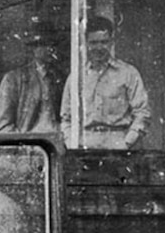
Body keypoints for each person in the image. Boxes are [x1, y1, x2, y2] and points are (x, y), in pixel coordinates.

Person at [61, 14, 151, 149]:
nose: (99, 48)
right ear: (86, 43)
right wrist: (71, 144)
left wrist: (126, 143)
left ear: (111, 42)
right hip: (84, 144)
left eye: (104, 42)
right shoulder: (75, 78)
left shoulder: (128, 73)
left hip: (118, 144)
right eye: (93, 43)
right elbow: (66, 118)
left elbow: (142, 113)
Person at [0, 27, 60, 134]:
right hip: (30, 145)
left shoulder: (59, 78)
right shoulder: (14, 80)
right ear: (33, 49)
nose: (51, 49)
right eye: (45, 45)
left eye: (53, 45)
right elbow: (4, 127)